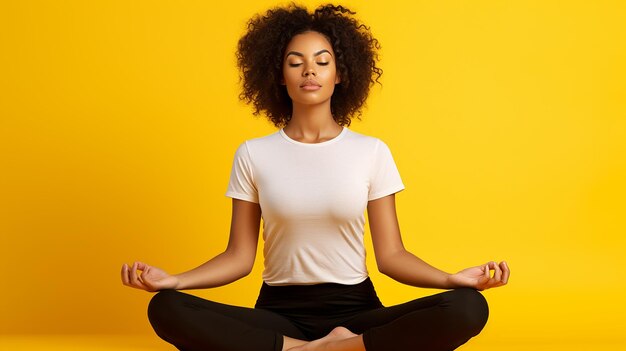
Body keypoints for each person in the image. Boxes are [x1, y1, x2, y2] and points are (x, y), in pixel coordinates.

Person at [121, 4, 510, 351]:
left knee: (467, 306)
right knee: (167, 308)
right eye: (296, 61)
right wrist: (173, 281)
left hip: (356, 312)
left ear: (340, 74)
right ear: (279, 76)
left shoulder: (371, 151)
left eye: (322, 61)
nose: (310, 70)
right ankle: (304, 347)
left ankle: (334, 346)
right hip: (278, 314)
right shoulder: (253, 153)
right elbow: (239, 257)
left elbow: (391, 256)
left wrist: (450, 279)